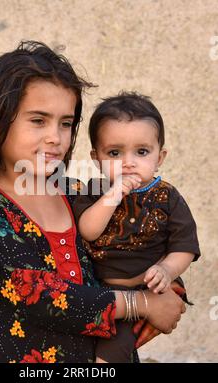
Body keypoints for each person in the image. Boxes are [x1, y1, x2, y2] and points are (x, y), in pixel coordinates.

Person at [0, 41, 185, 363]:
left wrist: (166, 283)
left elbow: (134, 253)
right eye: (38, 120)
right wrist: (140, 303)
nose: (56, 137)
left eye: (66, 123)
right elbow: (40, 295)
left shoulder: (80, 194)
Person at [72, 91, 201, 363]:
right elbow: (88, 230)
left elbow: (184, 246)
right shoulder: (95, 190)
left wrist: (167, 269)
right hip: (101, 291)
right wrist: (113, 194)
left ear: (159, 157)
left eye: (141, 152)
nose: (128, 162)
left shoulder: (167, 197)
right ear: (97, 158)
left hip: (147, 289)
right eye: (115, 153)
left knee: (111, 350)